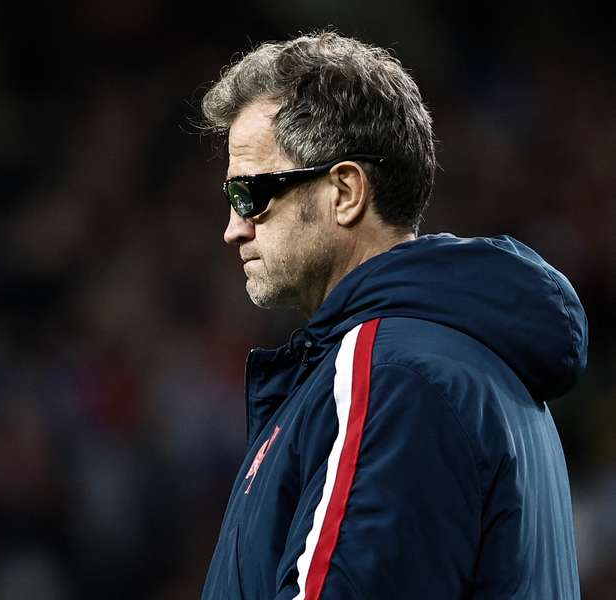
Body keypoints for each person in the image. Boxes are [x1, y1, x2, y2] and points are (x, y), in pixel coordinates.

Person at [198, 31, 587, 599]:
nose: (234, 227)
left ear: (346, 191)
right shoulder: (480, 366)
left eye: (249, 195)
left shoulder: (389, 374)